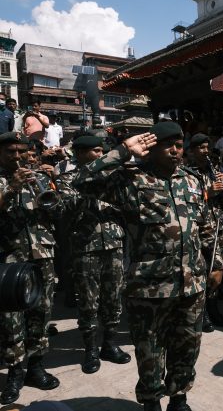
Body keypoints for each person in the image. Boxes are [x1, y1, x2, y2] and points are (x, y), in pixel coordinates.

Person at [73, 121, 219, 411]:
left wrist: (217, 265)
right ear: (150, 148)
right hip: (149, 289)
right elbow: (82, 180)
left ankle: (179, 398)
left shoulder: (191, 180)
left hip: (191, 286)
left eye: (179, 145)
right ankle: (151, 402)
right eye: (168, 145)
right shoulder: (129, 180)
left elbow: (205, 225)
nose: (175, 151)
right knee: (149, 350)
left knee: (187, 346)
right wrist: (123, 151)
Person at [55, 135, 131, 375]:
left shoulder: (112, 177)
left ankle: (109, 344)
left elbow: (124, 205)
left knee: (113, 298)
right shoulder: (67, 179)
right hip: (85, 246)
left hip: (113, 244)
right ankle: (90, 349)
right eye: (95, 151)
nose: (100, 155)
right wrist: (91, 191)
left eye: (102, 151)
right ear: (79, 153)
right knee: (88, 302)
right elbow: (67, 207)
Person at [0, 132, 60, 405]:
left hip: (41, 254)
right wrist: (11, 188)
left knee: (41, 312)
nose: (17, 156)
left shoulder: (37, 176)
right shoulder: (5, 180)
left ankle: (36, 367)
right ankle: (15, 372)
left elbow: (57, 211)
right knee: (11, 319)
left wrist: (50, 185)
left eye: (21, 151)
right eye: (10, 151)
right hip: (9, 256)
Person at [186, 133, 223, 330]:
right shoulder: (186, 172)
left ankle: (213, 308)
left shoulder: (212, 169)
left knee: (216, 270)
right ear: (192, 150)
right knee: (202, 271)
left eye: (207, 147)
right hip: (199, 229)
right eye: (201, 148)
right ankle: (202, 312)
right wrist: (207, 193)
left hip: (217, 228)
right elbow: (186, 200)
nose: (205, 151)